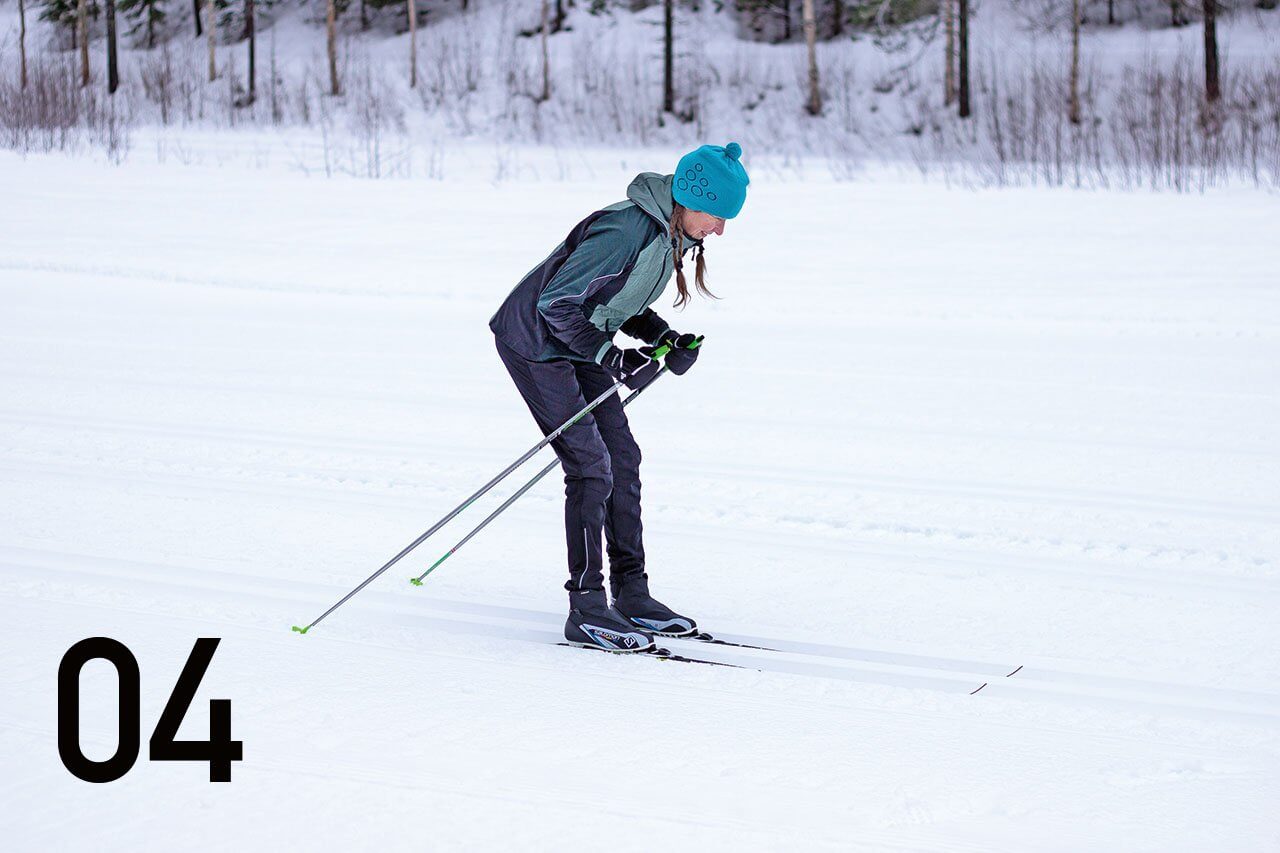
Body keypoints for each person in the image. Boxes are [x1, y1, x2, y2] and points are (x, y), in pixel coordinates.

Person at [489, 142, 750, 653]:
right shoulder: (625, 230)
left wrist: (664, 337)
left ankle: (632, 593)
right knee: (591, 466)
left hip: (577, 337)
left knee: (622, 459)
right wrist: (613, 358)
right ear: (690, 198)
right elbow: (556, 303)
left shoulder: (670, 232)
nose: (719, 230)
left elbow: (613, 302)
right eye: (716, 216)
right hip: (536, 343)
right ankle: (587, 607)